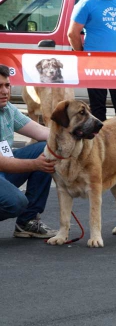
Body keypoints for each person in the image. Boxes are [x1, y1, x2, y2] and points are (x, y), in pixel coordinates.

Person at [0, 65, 58, 238]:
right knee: (16, 202)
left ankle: (27, 222)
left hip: (5, 169)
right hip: (3, 165)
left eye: (7, 85)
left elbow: (42, 133)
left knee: (46, 148)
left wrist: (74, 138)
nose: (4, 91)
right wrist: (35, 164)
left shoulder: (7, 108)